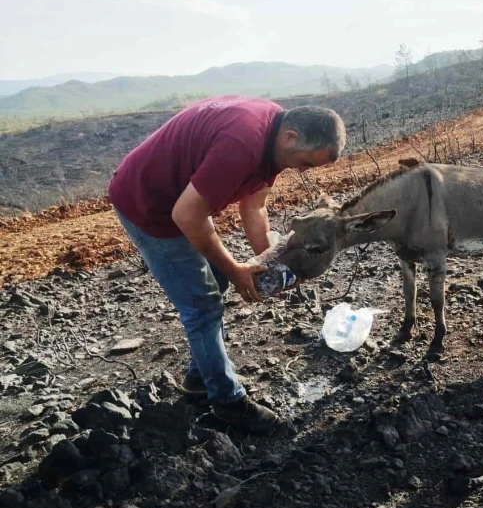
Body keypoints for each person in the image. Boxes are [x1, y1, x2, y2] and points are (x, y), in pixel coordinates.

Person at [108, 95, 346, 433]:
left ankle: (198, 378)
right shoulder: (243, 144)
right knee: (202, 304)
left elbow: (254, 207)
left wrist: (271, 263)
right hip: (148, 204)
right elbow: (187, 215)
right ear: (291, 137)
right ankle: (228, 403)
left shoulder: (275, 136)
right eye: (306, 162)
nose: (301, 170)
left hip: (182, 202)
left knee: (214, 282)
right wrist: (236, 270)